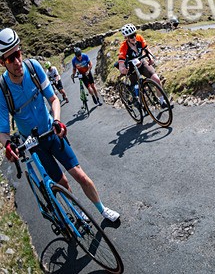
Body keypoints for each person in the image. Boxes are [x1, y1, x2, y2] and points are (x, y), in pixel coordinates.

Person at [0, 28, 120, 222]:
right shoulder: (2, 89)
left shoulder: (34, 68)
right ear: (2, 62)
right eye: (10, 59)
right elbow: (3, 131)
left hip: (51, 131)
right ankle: (78, 211)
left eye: (18, 54)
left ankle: (102, 209)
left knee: (79, 175)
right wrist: (7, 145)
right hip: (33, 143)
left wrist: (57, 120)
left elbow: (54, 99)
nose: (16, 62)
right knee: (62, 181)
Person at [117, 24, 169, 108]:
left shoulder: (139, 38)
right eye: (131, 36)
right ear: (126, 38)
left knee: (156, 79)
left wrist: (151, 57)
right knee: (137, 87)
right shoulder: (124, 47)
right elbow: (121, 61)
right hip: (131, 68)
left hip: (141, 63)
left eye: (134, 34)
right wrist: (122, 68)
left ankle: (162, 102)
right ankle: (136, 100)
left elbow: (147, 49)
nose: (134, 37)